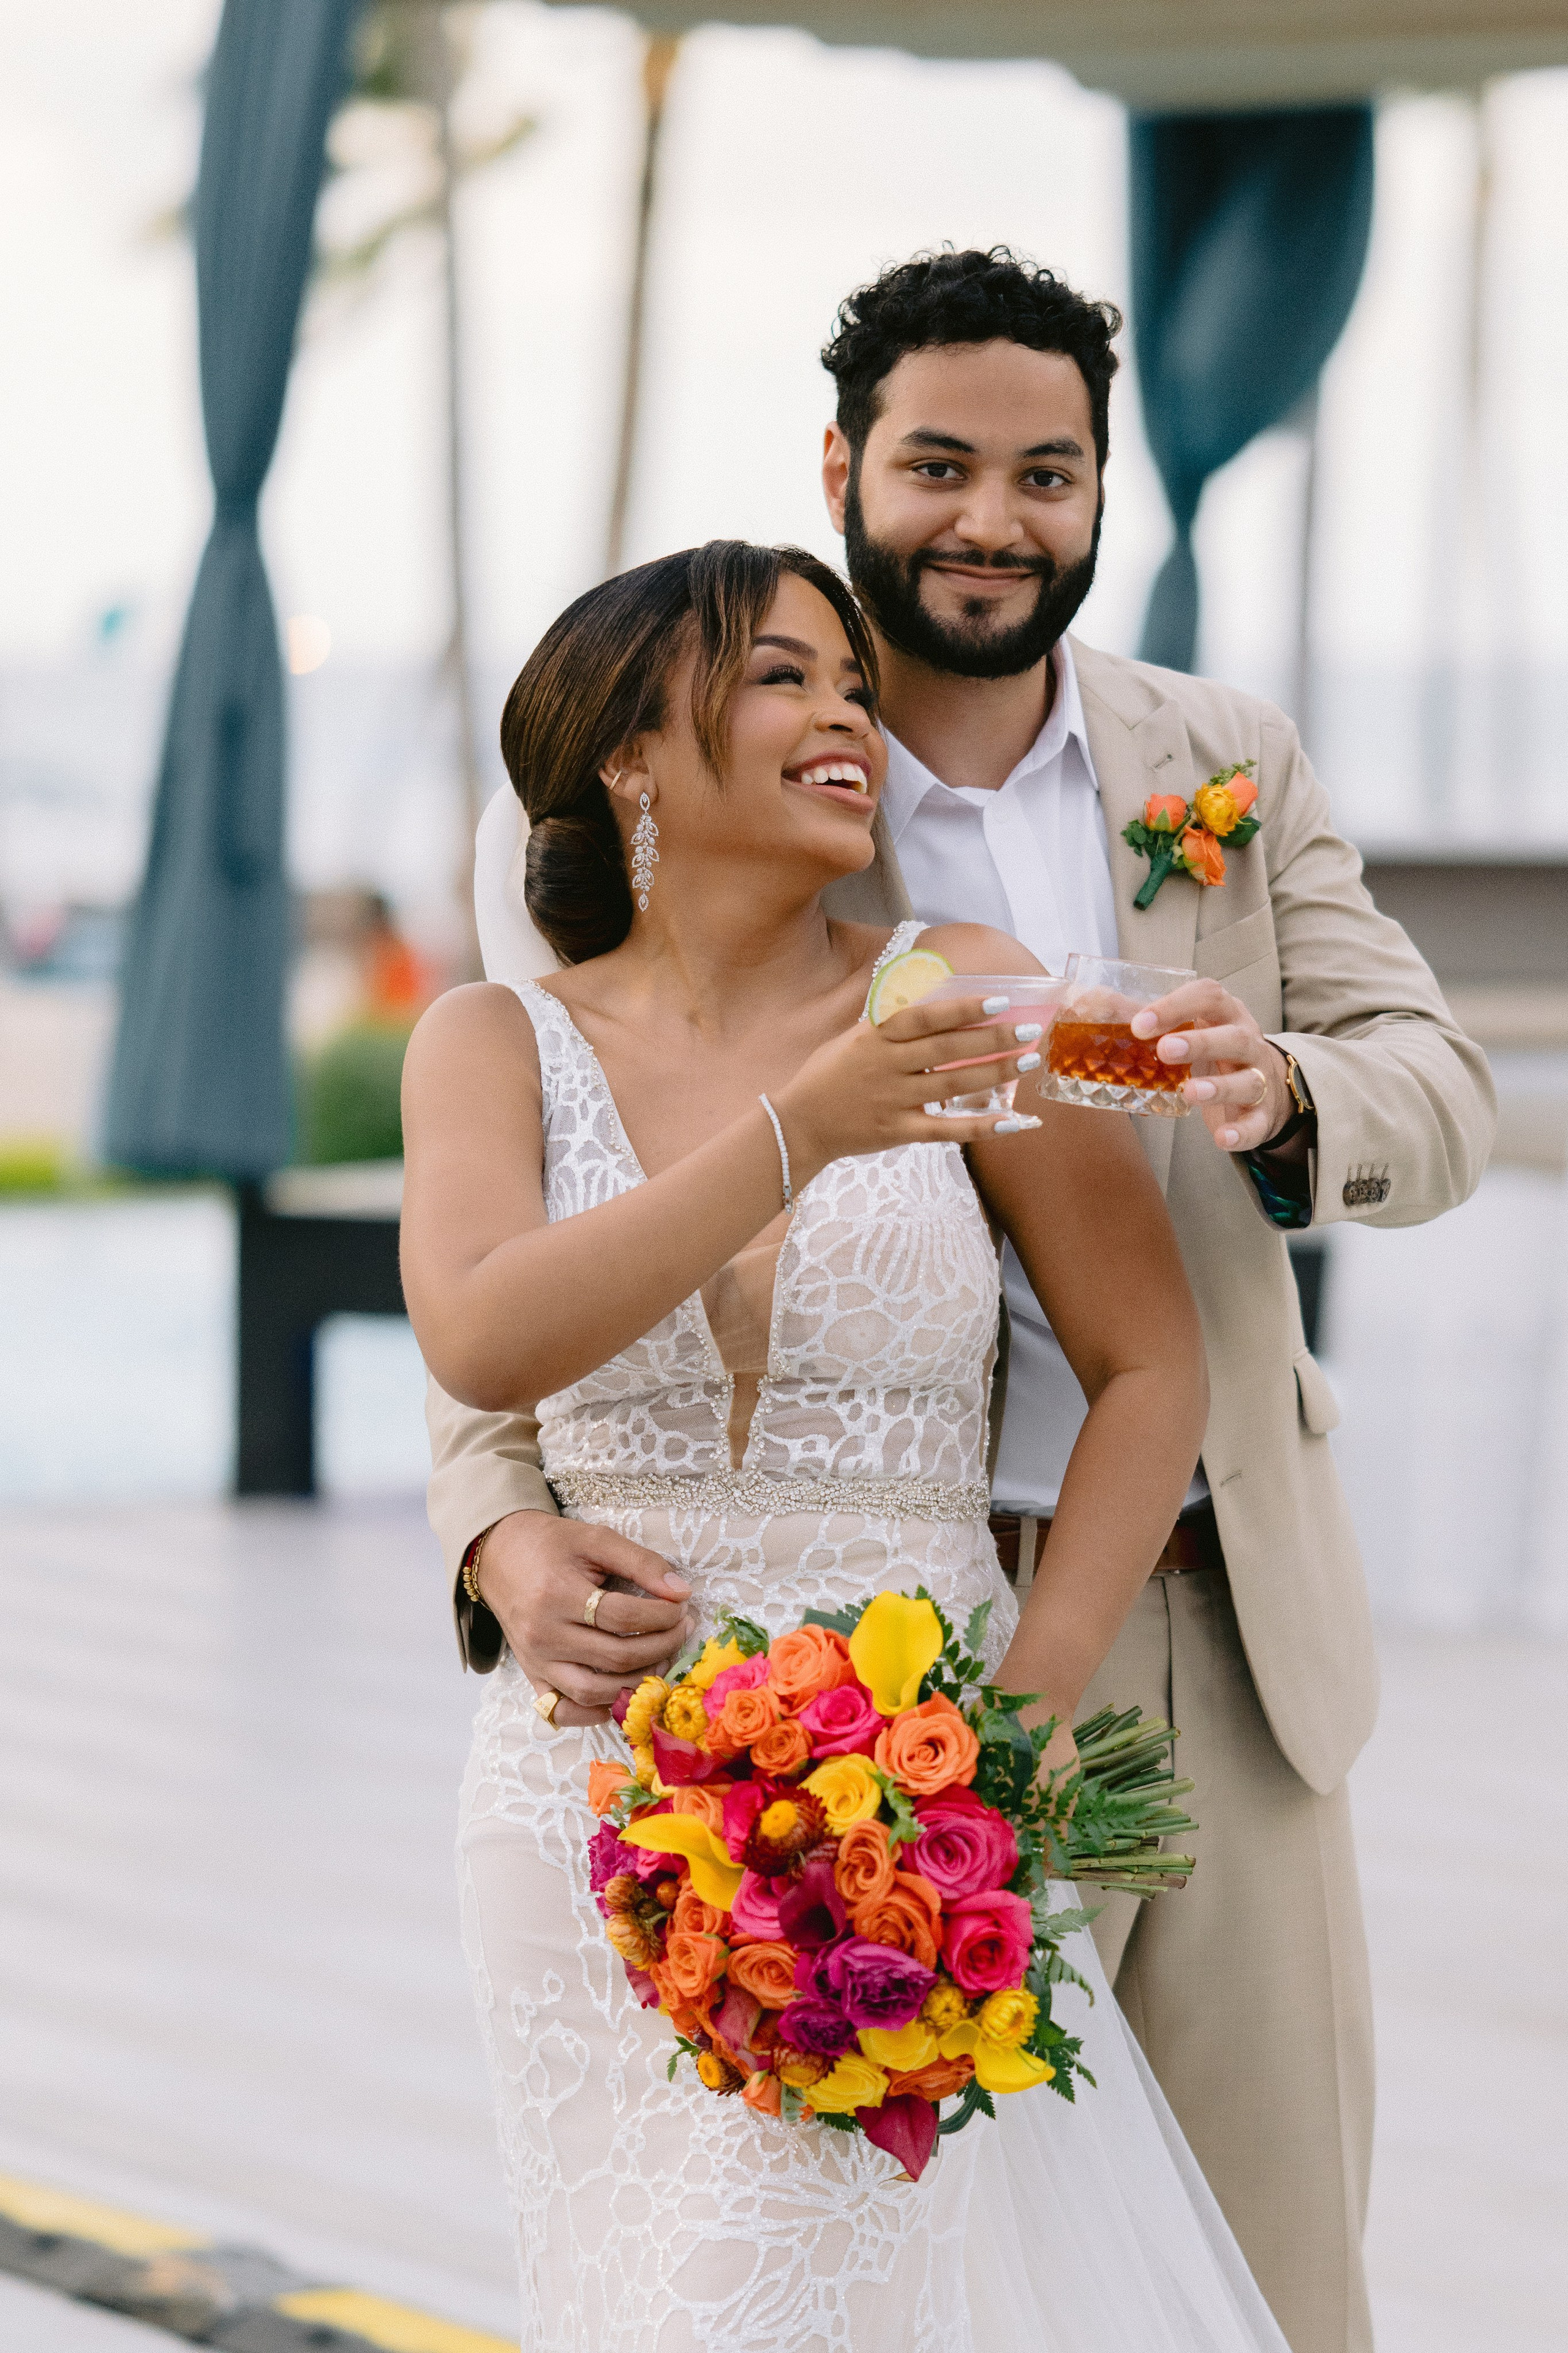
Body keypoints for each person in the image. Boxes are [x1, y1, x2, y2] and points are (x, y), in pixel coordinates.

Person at [429, 252, 1496, 2353]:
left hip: (1183, 1615)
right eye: (937, 464)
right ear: (847, 467)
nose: (991, 517)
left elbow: (1436, 1094)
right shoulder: (593, 823)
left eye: (1047, 469)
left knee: (1247, 2278)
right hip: (706, 1704)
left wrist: (1282, 1092)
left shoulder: (1223, 761)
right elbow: (510, 1248)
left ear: (1102, 487)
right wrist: (493, 1522)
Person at [401, 539, 1291, 2351]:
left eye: (856, 688)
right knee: (637, 2304)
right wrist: (799, 1133)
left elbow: (1150, 1369)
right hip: (584, 1813)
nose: (847, 720)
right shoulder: (487, 1040)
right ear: (633, 756)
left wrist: (1013, 1739)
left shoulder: (956, 985)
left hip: (904, 1814)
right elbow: (486, 1326)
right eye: (785, 678)